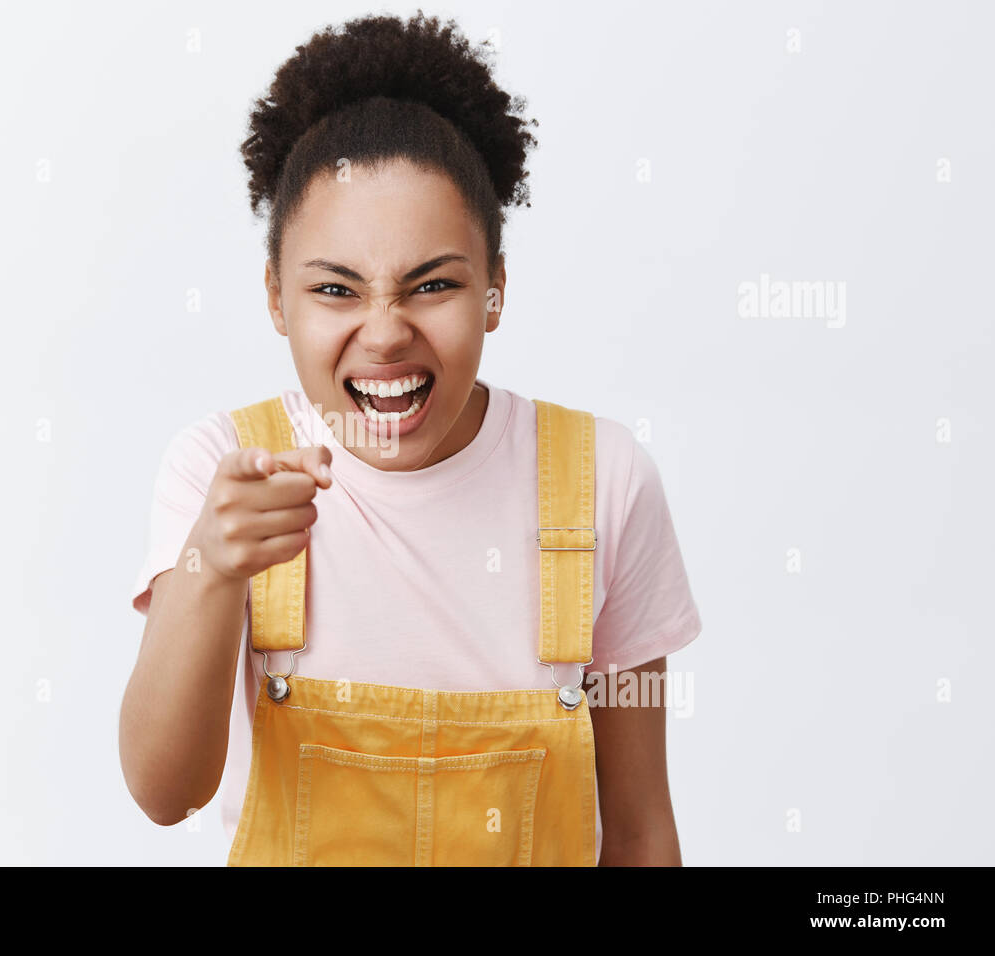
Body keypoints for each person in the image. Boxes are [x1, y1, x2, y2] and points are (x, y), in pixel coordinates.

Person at [119, 11, 702, 866]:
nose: (385, 333)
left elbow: (643, 830)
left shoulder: (608, 481)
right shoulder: (220, 470)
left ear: (495, 288)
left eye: (432, 284)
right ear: (277, 298)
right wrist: (211, 562)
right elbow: (162, 792)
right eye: (336, 290)